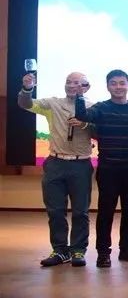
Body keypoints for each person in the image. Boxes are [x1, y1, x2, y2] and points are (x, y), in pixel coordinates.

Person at [18, 72, 93, 267]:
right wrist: (27, 89)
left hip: (81, 164)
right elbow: (26, 104)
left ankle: (78, 250)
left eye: (76, 83)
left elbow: (100, 130)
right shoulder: (53, 103)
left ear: (86, 87)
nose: (71, 85)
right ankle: (60, 250)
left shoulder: (93, 107)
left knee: (80, 212)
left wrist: (85, 123)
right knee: (55, 211)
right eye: (68, 82)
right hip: (55, 164)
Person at [74, 69, 128, 268]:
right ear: (107, 86)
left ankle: (126, 249)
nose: (118, 87)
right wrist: (80, 95)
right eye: (114, 83)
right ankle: (103, 253)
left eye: (122, 83)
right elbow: (82, 115)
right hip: (108, 168)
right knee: (106, 212)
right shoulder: (100, 108)